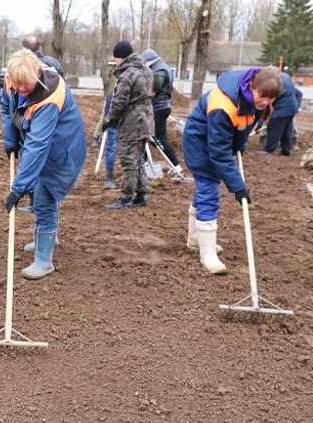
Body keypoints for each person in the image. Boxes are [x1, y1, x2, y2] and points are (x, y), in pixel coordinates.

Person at [0, 48, 85, 280]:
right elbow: (7, 107)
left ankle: (44, 261)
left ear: (38, 73)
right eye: (17, 84)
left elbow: (38, 146)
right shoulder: (13, 80)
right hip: (40, 147)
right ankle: (47, 237)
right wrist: (10, 141)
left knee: (44, 198)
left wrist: (18, 187)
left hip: (62, 152)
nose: (21, 89)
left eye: (26, 85)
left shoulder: (49, 98)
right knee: (38, 192)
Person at [183, 66, 282, 274]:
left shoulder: (254, 100)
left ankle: (195, 239)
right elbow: (218, 152)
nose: (265, 103)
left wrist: (239, 145)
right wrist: (238, 186)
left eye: (270, 99)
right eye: (262, 96)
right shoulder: (222, 105)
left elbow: (242, 126)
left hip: (216, 144)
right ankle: (207, 254)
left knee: (205, 191)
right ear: (251, 86)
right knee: (208, 191)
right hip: (199, 144)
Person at [103, 41, 154, 209]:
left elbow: (119, 101)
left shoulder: (127, 75)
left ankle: (126, 196)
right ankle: (141, 194)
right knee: (138, 158)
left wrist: (111, 120)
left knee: (128, 159)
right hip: (146, 119)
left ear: (121, 57)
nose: (115, 61)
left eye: (116, 58)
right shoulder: (146, 70)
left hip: (132, 122)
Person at [142, 49, 186, 179]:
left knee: (158, 137)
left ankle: (175, 166)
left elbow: (156, 86)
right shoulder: (163, 66)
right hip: (162, 106)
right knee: (150, 137)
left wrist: (148, 90)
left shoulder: (159, 69)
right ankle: (144, 164)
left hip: (158, 108)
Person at [261, 71, 302, 156]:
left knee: (273, 127)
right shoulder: (286, 79)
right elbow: (298, 93)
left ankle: (269, 149)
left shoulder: (276, 82)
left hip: (283, 109)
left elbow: (271, 97)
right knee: (286, 130)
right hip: (292, 108)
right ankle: (286, 150)